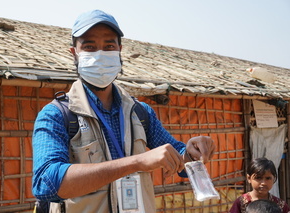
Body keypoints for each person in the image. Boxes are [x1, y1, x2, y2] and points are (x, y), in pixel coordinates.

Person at [32, 9, 216, 213]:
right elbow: (45, 184)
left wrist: (192, 152)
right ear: (74, 53)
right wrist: (136, 162)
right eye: (89, 47)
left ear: (119, 50)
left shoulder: (140, 112)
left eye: (109, 46)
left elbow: (178, 158)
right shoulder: (57, 115)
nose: (99, 54)